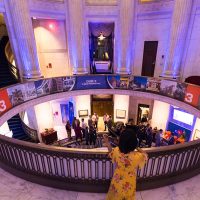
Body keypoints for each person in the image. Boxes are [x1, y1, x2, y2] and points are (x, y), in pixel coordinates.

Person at [103, 128, 148, 200]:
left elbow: (110, 152)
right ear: (134, 142)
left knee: (115, 194)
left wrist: (107, 142)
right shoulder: (137, 156)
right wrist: (137, 147)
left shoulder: (117, 151)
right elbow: (145, 155)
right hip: (129, 181)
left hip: (117, 179)